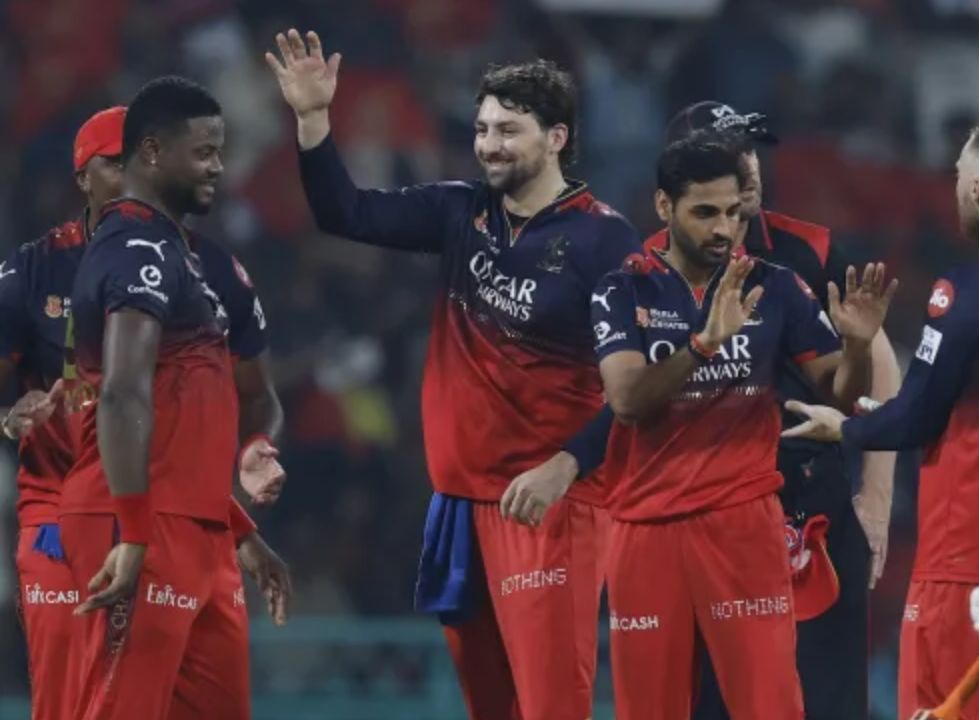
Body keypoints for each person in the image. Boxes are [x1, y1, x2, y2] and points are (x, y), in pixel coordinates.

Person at [266, 29, 641, 719]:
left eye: (509, 131)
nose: (490, 145)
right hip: (458, 506)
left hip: (547, 505)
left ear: (557, 138)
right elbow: (345, 212)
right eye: (482, 129)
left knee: (552, 708)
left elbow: (637, 389)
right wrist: (313, 120)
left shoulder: (604, 239)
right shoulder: (460, 210)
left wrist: (566, 466)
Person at [591, 132, 896, 719]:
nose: (724, 229)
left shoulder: (775, 286)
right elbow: (627, 400)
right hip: (645, 529)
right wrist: (704, 344)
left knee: (771, 706)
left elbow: (840, 391)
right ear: (664, 206)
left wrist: (857, 349)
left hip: (744, 526)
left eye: (733, 212)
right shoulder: (622, 289)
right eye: (705, 212)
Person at [0, 105, 290, 720]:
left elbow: (209, 410)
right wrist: (8, 412)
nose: (129, 175)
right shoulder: (32, 269)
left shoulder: (211, 269)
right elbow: (123, 400)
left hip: (167, 506)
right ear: (83, 178)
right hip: (63, 504)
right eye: (113, 163)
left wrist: (238, 511)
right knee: (69, 700)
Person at [783, 116, 979, 719]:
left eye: (959, 175)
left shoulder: (970, 292)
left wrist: (844, 426)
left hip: (967, 566)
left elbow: (916, 418)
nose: (955, 187)